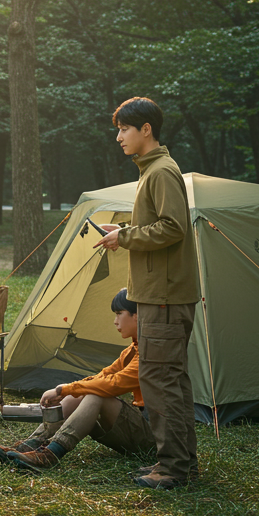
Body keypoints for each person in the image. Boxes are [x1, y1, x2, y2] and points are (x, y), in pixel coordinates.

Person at [92, 96, 200, 489]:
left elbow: (174, 228)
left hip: (165, 297)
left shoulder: (162, 172)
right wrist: (123, 237)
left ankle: (172, 469)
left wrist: (127, 236)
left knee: (159, 381)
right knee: (170, 379)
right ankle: (183, 463)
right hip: (158, 294)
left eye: (124, 129)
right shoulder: (150, 171)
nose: (119, 137)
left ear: (146, 130)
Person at [0, 288, 156, 474]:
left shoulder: (150, 351)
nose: (115, 321)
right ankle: (28, 446)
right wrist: (69, 390)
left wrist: (63, 390)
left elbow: (113, 384)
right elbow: (103, 376)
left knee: (95, 396)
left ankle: (50, 455)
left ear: (137, 316)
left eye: (119, 314)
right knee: (84, 392)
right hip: (133, 433)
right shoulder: (131, 350)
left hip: (151, 437)